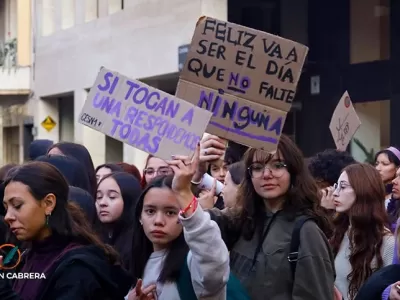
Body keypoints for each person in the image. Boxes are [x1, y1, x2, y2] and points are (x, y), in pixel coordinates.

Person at [207, 134, 335, 300]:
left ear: (293, 171)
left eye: (278, 165)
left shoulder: (306, 231)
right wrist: (193, 179)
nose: (267, 174)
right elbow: (199, 226)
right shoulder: (243, 219)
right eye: (258, 167)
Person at [0, 161, 131, 300]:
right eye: (6, 207)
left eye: (17, 205)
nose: (8, 217)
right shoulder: (26, 257)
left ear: (48, 203)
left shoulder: (78, 268)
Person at [128, 145, 229, 300]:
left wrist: (183, 192)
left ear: (185, 217)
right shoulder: (139, 260)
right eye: (150, 211)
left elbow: (214, 267)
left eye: (170, 212)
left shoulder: (195, 262)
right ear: (139, 217)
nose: (158, 221)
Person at [331, 163, 394, 299]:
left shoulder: (387, 243)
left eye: (343, 187)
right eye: (336, 186)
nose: (335, 193)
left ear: (363, 191)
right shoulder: (339, 232)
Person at [96, 172, 141, 272]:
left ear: (129, 199)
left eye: (112, 197)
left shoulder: (139, 242)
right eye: (99, 197)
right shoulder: (95, 238)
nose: (102, 203)